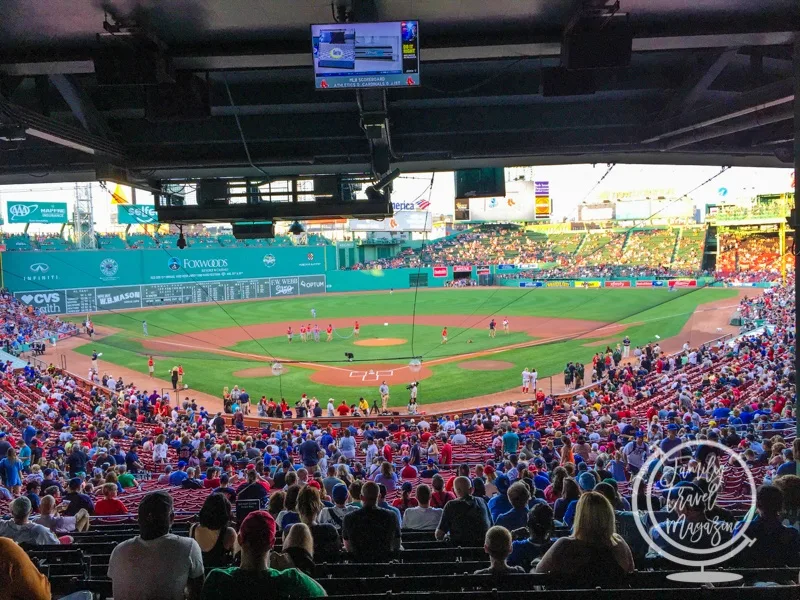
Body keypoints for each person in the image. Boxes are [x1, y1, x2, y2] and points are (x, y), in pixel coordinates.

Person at [202, 510, 326, 599]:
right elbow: (322, 593)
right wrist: (291, 568)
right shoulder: (292, 579)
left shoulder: (217, 579)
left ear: (239, 540)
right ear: (272, 543)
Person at [108, 491, 204, 600]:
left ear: (138, 520)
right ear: (172, 518)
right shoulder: (188, 546)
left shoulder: (119, 550)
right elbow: (198, 592)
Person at [536, 492, 634, 583]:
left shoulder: (564, 545)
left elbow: (539, 571)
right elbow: (631, 570)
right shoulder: (618, 543)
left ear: (580, 516)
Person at [733, 484, 800, 568]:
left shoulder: (742, 528)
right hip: (780, 579)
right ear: (781, 505)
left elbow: (735, 559)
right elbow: (794, 563)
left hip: (749, 579)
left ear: (757, 504)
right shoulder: (791, 533)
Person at [342, 481, 401, 561]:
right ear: (379, 496)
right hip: (384, 566)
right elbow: (396, 544)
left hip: (357, 568)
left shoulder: (349, 518)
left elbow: (348, 547)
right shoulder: (391, 516)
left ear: (361, 497)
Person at [435, 476, 491, 546]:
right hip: (483, 551)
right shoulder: (482, 501)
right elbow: (491, 525)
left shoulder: (451, 505)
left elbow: (439, 535)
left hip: (460, 553)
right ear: (472, 490)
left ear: (453, 490)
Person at [294, 484, 341, 561]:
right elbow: (336, 555)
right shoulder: (329, 530)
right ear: (318, 506)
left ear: (298, 507)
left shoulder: (291, 531)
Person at [189, 494, 237, 569]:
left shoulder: (193, 528)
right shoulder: (229, 532)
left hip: (198, 576)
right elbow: (235, 556)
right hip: (219, 577)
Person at [508, 503, 555, 570]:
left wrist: (511, 538)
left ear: (528, 524)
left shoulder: (516, 547)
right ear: (552, 525)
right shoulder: (558, 546)